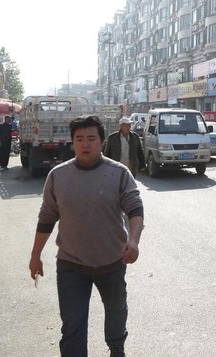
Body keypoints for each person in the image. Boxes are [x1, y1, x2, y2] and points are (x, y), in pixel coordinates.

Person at [29, 115, 144, 357]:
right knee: (73, 325)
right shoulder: (58, 175)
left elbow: (135, 208)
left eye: (91, 138)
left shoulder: (119, 173)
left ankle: (116, 348)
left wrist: (133, 241)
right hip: (71, 264)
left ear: (102, 141)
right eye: (79, 139)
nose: (85, 144)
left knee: (116, 311)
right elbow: (47, 217)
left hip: (112, 261)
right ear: (72, 142)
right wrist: (35, 255)